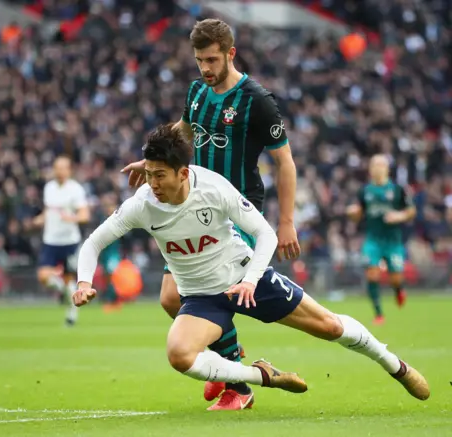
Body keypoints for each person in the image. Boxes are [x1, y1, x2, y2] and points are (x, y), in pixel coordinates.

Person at [74, 125, 429, 411]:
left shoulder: (213, 189)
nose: (152, 184)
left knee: (330, 325)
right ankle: (262, 376)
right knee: (179, 355)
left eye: (159, 175)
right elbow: (93, 242)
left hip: (246, 279)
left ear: (183, 173)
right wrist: (83, 282)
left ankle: (394, 365)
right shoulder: (143, 204)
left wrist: (250, 281)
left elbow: (265, 235)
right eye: (148, 174)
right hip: (202, 298)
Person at [121, 18, 301, 406]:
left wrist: (286, 222)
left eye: (212, 60)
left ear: (230, 54)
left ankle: (234, 380)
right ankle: (236, 373)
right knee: (172, 299)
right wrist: (151, 162)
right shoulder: (197, 92)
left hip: (236, 212)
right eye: (200, 60)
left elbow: (285, 163)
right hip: (194, 207)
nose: (205, 68)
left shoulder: (257, 100)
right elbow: (184, 130)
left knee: (212, 295)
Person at [347, 155, 416, 325]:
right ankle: (378, 313)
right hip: (373, 241)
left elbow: (411, 211)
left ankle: (399, 290)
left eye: (381, 165)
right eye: (374, 165)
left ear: (387, 169)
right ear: (370, 169)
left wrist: (399, 215)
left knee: (396, 278)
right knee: (372, 272)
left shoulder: (398, 190)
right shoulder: (365, 191)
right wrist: (353, 213)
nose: (378, 168)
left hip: (393, 242)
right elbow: (358, 214)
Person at [33, 156, 90, 326]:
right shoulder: (49, 188)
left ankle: (71, 316)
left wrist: (70, 218)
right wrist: (39, 219)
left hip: (69, 241)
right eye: (57, 167)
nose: (59, 171)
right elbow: (48, 211)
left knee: (70, 279)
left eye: (63, 167)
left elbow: (84, 215)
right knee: (43, 276)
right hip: (50, 239)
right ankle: (66, 293)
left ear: (69, 170)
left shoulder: (76, 189)